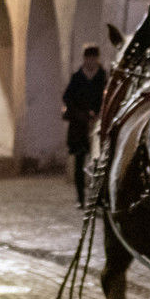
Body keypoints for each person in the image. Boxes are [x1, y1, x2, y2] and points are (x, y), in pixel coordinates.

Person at [62, 44, 107, 207]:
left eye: (94, 58)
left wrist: (98, 114)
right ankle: (80, 198)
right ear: (85, 59)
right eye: (88, 58)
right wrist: (80, 113)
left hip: (97, 125)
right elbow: (67, 98)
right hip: (79, 126)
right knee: (79, 162)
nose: (91, 61)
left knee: (98, 162)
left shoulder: (102, 76)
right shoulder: (77, 77)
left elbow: (106, 97)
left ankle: (98, 198)